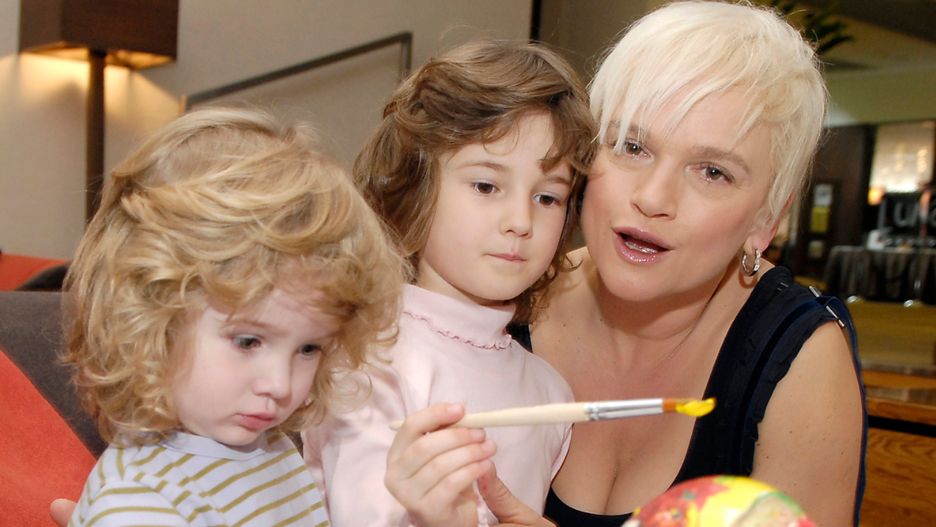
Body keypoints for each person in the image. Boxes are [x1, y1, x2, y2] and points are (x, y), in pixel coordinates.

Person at [387, 2, 866, 527]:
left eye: (712, 172)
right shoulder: (503, 286)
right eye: (632, 146)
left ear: (766, 219)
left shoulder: (798, 359)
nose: (654, 197)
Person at [61, 108, 404, 526]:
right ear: (153, 320)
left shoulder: (266, 446)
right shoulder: (140, 502)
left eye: (309, 348)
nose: (280, 384)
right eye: (248, 341)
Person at [301, 40, 595, 526]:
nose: (520, 221)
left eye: (547, 198)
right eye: (486, 186)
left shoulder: (551, 392)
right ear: (415, 187)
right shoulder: (371, 358)